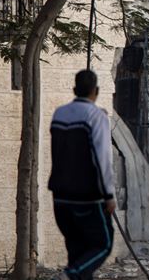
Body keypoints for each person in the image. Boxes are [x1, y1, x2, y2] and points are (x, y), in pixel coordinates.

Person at [48, 70, 115, 280]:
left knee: (77, 251)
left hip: (60, 196)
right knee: (102, 244)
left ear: (74, 89)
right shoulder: (97, 117)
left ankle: (74, 272)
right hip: (86, 197)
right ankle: (70, 275)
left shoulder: (59, 114)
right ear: (96, 91)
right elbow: (102, 158)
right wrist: (109, 195)